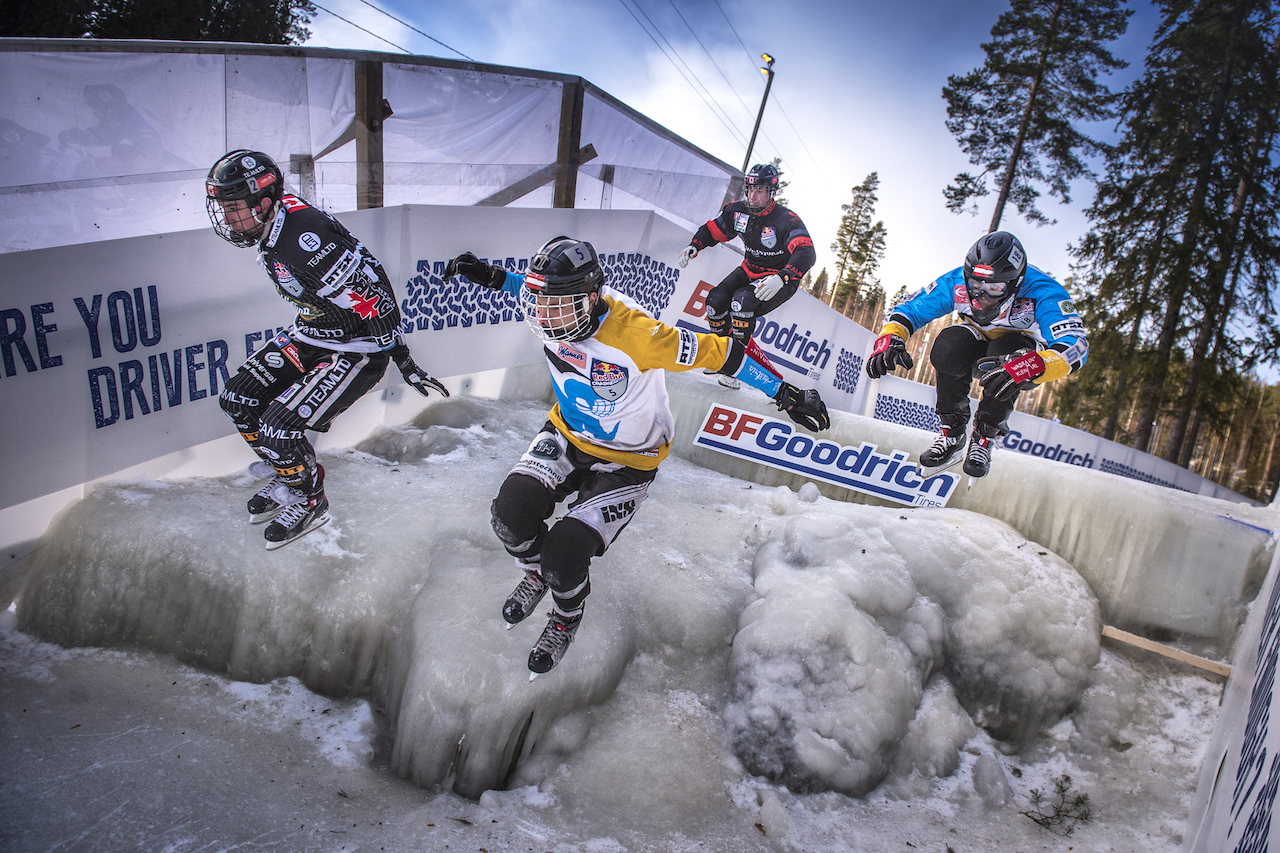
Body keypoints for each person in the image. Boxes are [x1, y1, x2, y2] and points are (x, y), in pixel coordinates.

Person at [444, 237, 830, 675]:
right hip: (568, 434)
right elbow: (532, 289)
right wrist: (491, 277)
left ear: (591, 299)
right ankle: (536, 574)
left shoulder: (639, 336)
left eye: (557, 307)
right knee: (508, 516)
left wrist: (786, 392)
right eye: (539, 304)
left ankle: (566, 616)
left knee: (565, 556)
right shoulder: (553, 302)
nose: (544, 317)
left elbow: (726, 355)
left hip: (627, 461)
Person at [205, 150, 449, 549]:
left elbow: (375, 295)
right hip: (314, 333)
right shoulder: (274, 223)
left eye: (233, 208)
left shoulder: (302, 240)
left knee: (278, 426)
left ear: (263, 202)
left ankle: (309, 497)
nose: (227, 218)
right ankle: (289, 474)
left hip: (358, 348)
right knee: (238, 399)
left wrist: (401, 357)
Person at [864, 231, 1088, 479]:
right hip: (976, 340)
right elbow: (908, 309)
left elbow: (1076, 345)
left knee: (1006, 351)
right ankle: (952, 431)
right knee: (949, 344)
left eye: (994, 288)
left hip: (1020, 356)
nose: (981, 296)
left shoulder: (1043, 291)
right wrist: (890, 338)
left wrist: (1035, 364)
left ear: (1015, 282)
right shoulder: (956, 281)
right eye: (976, 286)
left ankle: (985, 436)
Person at [677, 163, 816, 388]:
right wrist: (695, 245)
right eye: (750, 189)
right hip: (751, 268)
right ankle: (721, 356)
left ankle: (735, 369)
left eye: (759, 190)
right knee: (715, 300)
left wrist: (783, 276)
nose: (753, 196)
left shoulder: (787, 220)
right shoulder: (737, 211)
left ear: (771, 193)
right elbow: (713, 230)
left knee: (741, 302)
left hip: (779, 279)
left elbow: (806, 252)